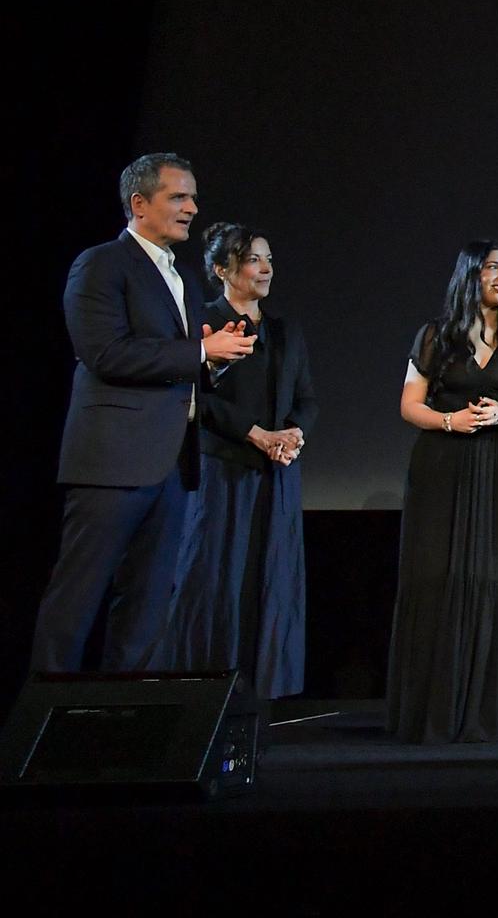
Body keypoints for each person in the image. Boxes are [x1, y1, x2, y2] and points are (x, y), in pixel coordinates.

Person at [32, 154, 253, 672]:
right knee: (77, 597)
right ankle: (43, 730)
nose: (192, 208)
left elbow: (182, 364)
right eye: (178, 197)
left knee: (149, 603)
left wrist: (214, 361)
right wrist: (200, 352)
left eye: (193, 197)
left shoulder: (183, 280)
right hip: (114, 462)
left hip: (173, 463)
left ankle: (122, 725)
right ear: (139, 203)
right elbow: (105, 352)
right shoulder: (102, 263)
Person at [386, 242, 498, 742]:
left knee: (496, 573)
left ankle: (493, 712)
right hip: (442, 465)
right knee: (440, 574)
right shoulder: (436, 335)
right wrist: (450, 421)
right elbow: (410, 404)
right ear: (469, 275)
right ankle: (433, 713)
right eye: (492, 267)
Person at [171, 222, 315, 699]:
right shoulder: (205, 323)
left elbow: (307, 398)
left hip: (276, 472)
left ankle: (264, 689)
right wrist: (255, 434)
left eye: (268, 258)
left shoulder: (284, 330)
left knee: (271, 579)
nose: (266, 268)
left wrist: (293, 435)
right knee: (217, 577)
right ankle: (209, 683)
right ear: (222, 269)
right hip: (223, 468)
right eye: (254, 259)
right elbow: (198, 399)